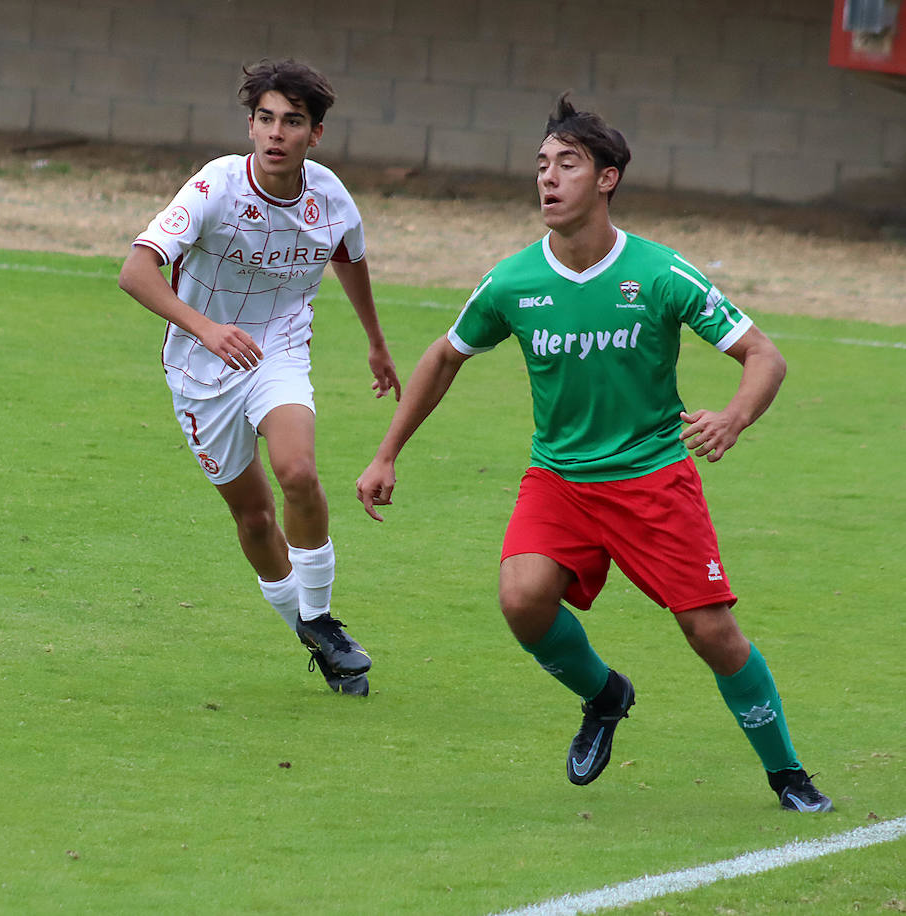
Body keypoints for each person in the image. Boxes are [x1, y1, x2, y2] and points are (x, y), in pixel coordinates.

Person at [355, 93, 832, 810]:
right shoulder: (514, 280)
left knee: (711, 631)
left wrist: (735, 416)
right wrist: (386, 453)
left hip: (652, 478)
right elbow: (445, 355)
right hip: (560, 480)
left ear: (606, 178)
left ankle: (787, 772)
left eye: (567, 164)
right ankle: (605, 695)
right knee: (521, 600)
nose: (548, 178)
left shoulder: (662, 273)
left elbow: (764, 355)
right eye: (542, 165)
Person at [119, 58, 400, 696]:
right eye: (267, 119)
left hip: (277, 351)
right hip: (199, 368)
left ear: (315, 134)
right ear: (250, 125)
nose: (277, 133)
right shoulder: (216, 186)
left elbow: (349, 257)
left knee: (298, 471)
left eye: (293, 122)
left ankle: (324, 619)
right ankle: (307, 632)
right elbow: (136, 271)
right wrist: (205, 328)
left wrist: (377, 344)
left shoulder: (330, 196)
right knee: (253, 518)